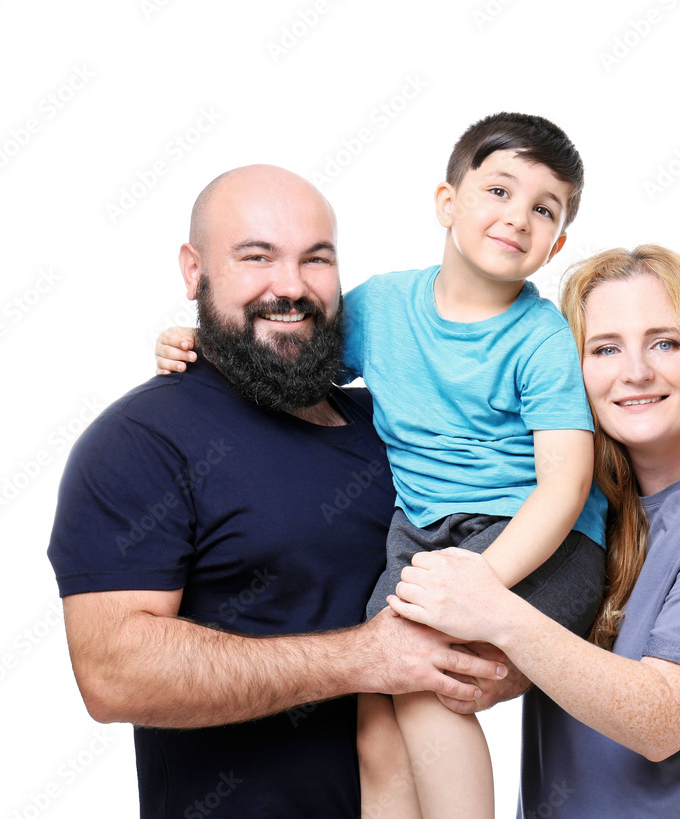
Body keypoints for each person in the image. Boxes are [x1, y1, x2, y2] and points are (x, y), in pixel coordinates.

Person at [156, 113, 609, 819]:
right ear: (447, 202)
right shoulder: (384, 306)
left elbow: (565, 484)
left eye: (543, 209)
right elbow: (290, 362)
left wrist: (478, 583)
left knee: (424, 680)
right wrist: (199, 344)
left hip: (539, 537)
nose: (518, 217)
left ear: (557, 243)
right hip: (426, 534)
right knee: (374, 697)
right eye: (498, 191)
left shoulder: (539, 338)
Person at [46, 165, 512, 819]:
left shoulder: (395, 425)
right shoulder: (141, 440)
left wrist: (494, 663)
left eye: (316, 260)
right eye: (257, 256)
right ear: (194, 270)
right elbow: (112, 670)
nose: (291, 287)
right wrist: (365, 658)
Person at [388, 245, 680, 817]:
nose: (636, 371)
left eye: (666, 342)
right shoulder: (585, 506)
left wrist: (494, 609)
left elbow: (662, 719)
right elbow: (571, 664)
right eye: (605, 348)